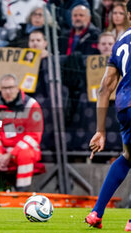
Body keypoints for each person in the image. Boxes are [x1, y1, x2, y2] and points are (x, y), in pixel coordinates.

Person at [85, 1, 131, 231]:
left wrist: (100, 130)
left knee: (127, 157)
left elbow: (105, 88)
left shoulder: (121, 42)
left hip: (123, 106)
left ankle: (96, 213)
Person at [0, 74, 43, 192]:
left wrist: (12, 154)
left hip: (25, 149)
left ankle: (23, 195)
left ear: (18, 88)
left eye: (11, 87)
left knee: (25, 155)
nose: (8, 91)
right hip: (2, 150)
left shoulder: (31, 104)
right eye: (4, 88)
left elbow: (33, 137)